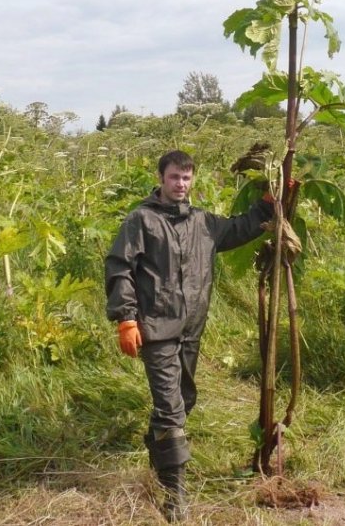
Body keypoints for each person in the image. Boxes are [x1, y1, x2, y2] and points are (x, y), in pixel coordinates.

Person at [104, 149, 275, 520]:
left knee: (183, 400)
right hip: (157, 330)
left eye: (186, 178)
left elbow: (241, 228)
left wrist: (268, 204)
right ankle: (174, 494)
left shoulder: (203, 223)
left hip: (191, 332)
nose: (180, 184)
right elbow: (119, 267)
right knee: (170, 409)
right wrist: (125, 319)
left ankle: (159, 456)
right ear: (161, 179)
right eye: (174, 178)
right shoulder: (142, 221)